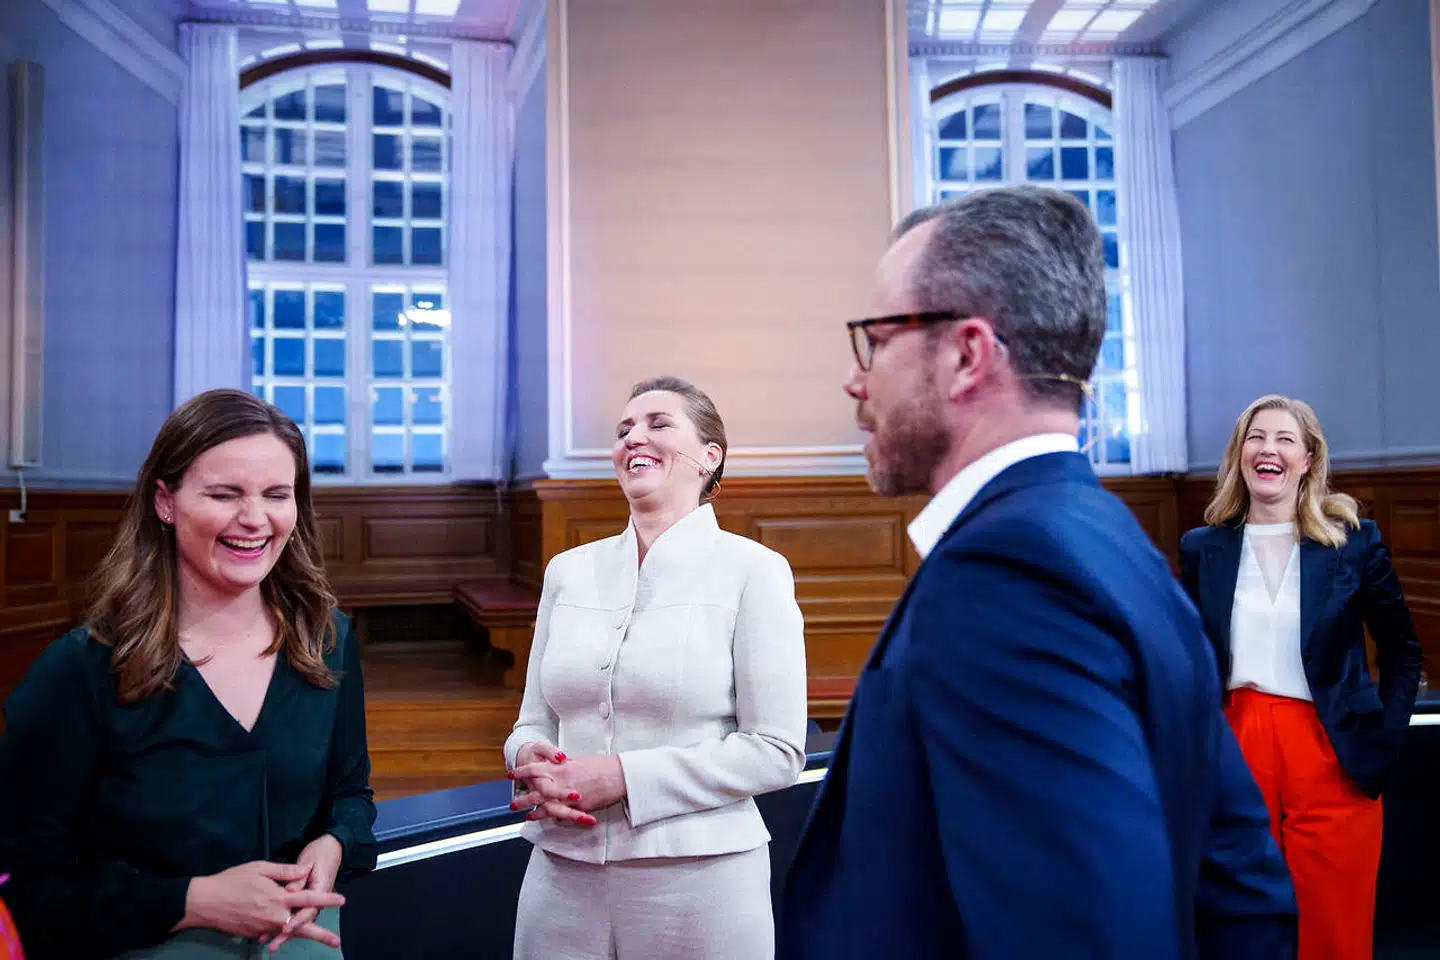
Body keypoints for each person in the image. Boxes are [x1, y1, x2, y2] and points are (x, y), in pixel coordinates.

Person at [777, 187, 1297, 960]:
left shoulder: (1006, 577)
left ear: (967, 355)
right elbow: (1241, 886)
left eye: (876, 340)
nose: (858, 380)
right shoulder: (1112, 540)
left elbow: (1089, 938)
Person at [0, 389, 376, 959]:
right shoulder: (79, 671)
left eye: (277, 494)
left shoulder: (328, 640)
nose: (255, 519)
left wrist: (335, 842)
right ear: (165, 501)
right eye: (225, 494)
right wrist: (191, 901)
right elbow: (34, 886)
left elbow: (350, 796)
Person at [504, 375, 808, 960]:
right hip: (561, 876)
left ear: (709, 457)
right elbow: (531, 723)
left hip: (702, 882)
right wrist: (527, 757)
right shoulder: (567, 571)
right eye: (623, 430)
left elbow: (777, 749)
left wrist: (622, 777)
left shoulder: (755, 571)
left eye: (658, 424)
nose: (633, 438)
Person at [1179, 395, 1422, 960]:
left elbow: (1403, 651)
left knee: (1332, 924)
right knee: (1241, 918)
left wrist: (1384, 741)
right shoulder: (1202, 548)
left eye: (1285, 439)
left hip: (1333, 745)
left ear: (1309, 459)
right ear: (1240, 454)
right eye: (1256, 437)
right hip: (1237, 743)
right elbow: (1189, 660)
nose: (1269, 449)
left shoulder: (1352, 540)